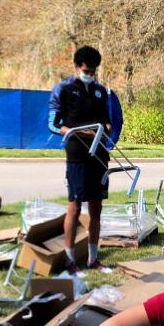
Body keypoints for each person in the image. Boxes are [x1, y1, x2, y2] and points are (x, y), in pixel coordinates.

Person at [48, 45, 113, 277]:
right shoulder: (63, 89)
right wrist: (77, 132)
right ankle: (69, 260)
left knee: (96, 207)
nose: (90, 74)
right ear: (76, 67)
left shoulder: (100, 90)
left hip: (99, 153)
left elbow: (107, 121)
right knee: (75, 206)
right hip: (76, 153)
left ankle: (93, 258)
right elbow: (53, 124)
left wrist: (104, 129)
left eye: (93, 71)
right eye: (86, 70)